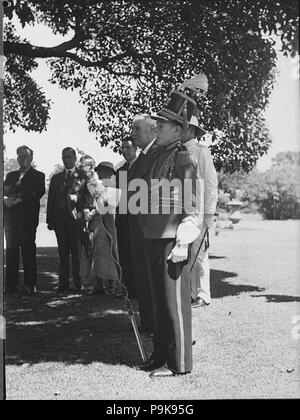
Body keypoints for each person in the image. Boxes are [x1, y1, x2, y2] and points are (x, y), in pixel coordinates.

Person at [138, 90, 203, 378]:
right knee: (159, 302)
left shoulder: (182, 158)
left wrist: (182, 241)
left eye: (162, 125)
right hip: (154, 236)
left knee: (174, 304)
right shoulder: (158, 156)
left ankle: (180, 363)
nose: (157, 128)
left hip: (171, 239)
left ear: (177, 130)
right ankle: (161, 354)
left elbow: (191, 204)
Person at [183, 116, 218, 308]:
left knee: (200, 253)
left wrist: (209, 212)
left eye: (184, 127)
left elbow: (211, 183)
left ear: (192, 130)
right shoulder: (177, 151)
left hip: (199, 211)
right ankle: (188, 292)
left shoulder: (201, 152)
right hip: (182, 210)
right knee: (185, 252)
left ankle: (203, 294)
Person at [128, 114, 159, 332]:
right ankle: (148, 322)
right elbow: (129, 196)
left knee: (152, 280)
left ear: (152, 131)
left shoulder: (158, 155)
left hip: (151, 229)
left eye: (137, 129)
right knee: (142, 278)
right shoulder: (138, 160)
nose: (133, 133)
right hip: (137, 229)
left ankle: (156, 324)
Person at [4, 145, 45, 295]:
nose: (22, 159)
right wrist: (5, 199)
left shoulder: (38, 176)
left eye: (25, 156)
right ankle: (10, 285)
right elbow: (5, 191)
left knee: (28, 252)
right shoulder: (10, 176)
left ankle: (30, 284)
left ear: (31, 158)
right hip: (11, 222)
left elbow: (37, 193)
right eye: (20, 156)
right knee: (11, 253)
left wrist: (17, 200)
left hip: (27, 221)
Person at [46, 147, 85, 292]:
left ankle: (78, 283)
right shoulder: (56, 178)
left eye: (69, 156)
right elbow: (51, 200)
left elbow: (88, 198)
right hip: (60, 222)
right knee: (62, 254)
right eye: (64, 157)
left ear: (74, 158)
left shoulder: (83, 176)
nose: (66, 159)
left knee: (76, 254)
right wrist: (50, 220)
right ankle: (63, 284)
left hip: (76, 222)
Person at [81, 159, 121, 296]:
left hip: (109, 224)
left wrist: (94, 211)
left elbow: (109, 205)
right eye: (100, 171)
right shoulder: (95, 187)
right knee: (96, 254)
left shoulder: (114, 188)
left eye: (104, 171)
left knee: (110, 254)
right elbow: (90, 202)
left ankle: (111, 285)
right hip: (97, 224)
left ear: (110, 173)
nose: (102, 173)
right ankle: (99, 285)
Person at [115, 136, 137, 298]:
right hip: (123, 219)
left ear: (136, 148)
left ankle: (138, 289)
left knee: (136, 254)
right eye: (123, 147)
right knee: (124, 254)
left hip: (138, 218)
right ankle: (127, 289)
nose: (125, 150)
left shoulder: (143, 167)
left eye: (128, 147)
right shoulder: (120, 171)